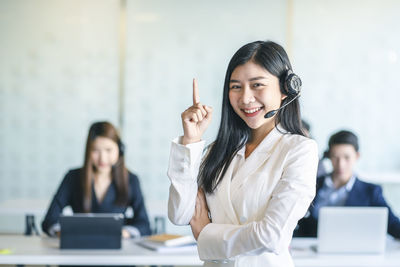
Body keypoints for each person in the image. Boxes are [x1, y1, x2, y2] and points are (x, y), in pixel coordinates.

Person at [167, 41, 319, 266]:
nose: (246, 98)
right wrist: (191, 141)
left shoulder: (299, 150)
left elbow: (272, 236)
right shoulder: (217, 151)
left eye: (257, 85)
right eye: (236, 86)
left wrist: (206, 234)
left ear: (286, 89)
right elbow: (180, 214)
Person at [42, 121, 151, 238]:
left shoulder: (131, 180)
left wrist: (125, 233)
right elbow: (49, 220)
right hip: (80, 245)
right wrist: (63, 232)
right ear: (88, 151)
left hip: (117, 248)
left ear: (120, 150)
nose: (102, 158)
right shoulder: (72, 178)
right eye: (95, 150)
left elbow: (144, 224)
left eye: (108, 150)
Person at [294, 130, 400, 238]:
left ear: (357, 156)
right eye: (335, 157)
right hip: (309, 251)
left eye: (347, 157)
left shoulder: (371, 191)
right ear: (329, 156)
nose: (341, 164)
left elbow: (393, 224)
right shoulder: (312, 184)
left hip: (353, 252)